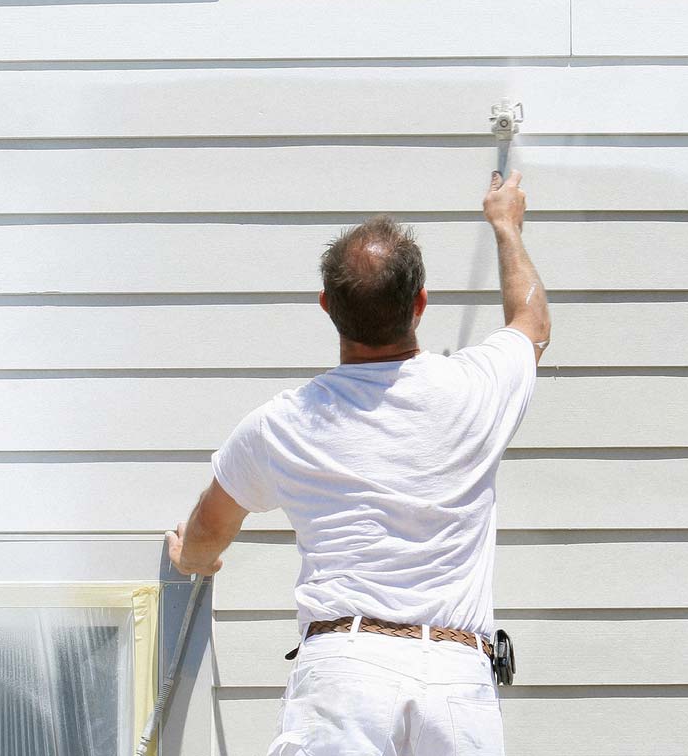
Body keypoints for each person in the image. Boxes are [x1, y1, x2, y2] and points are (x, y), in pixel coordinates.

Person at [164, 169, 550, 755]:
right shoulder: (477, 389)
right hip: (456, 678)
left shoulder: (284, 423)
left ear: (327, 306)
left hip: (345, 675)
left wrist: (194, 558)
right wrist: (506, 225)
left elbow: (210, 528)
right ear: (420, 304)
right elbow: (532, 324)